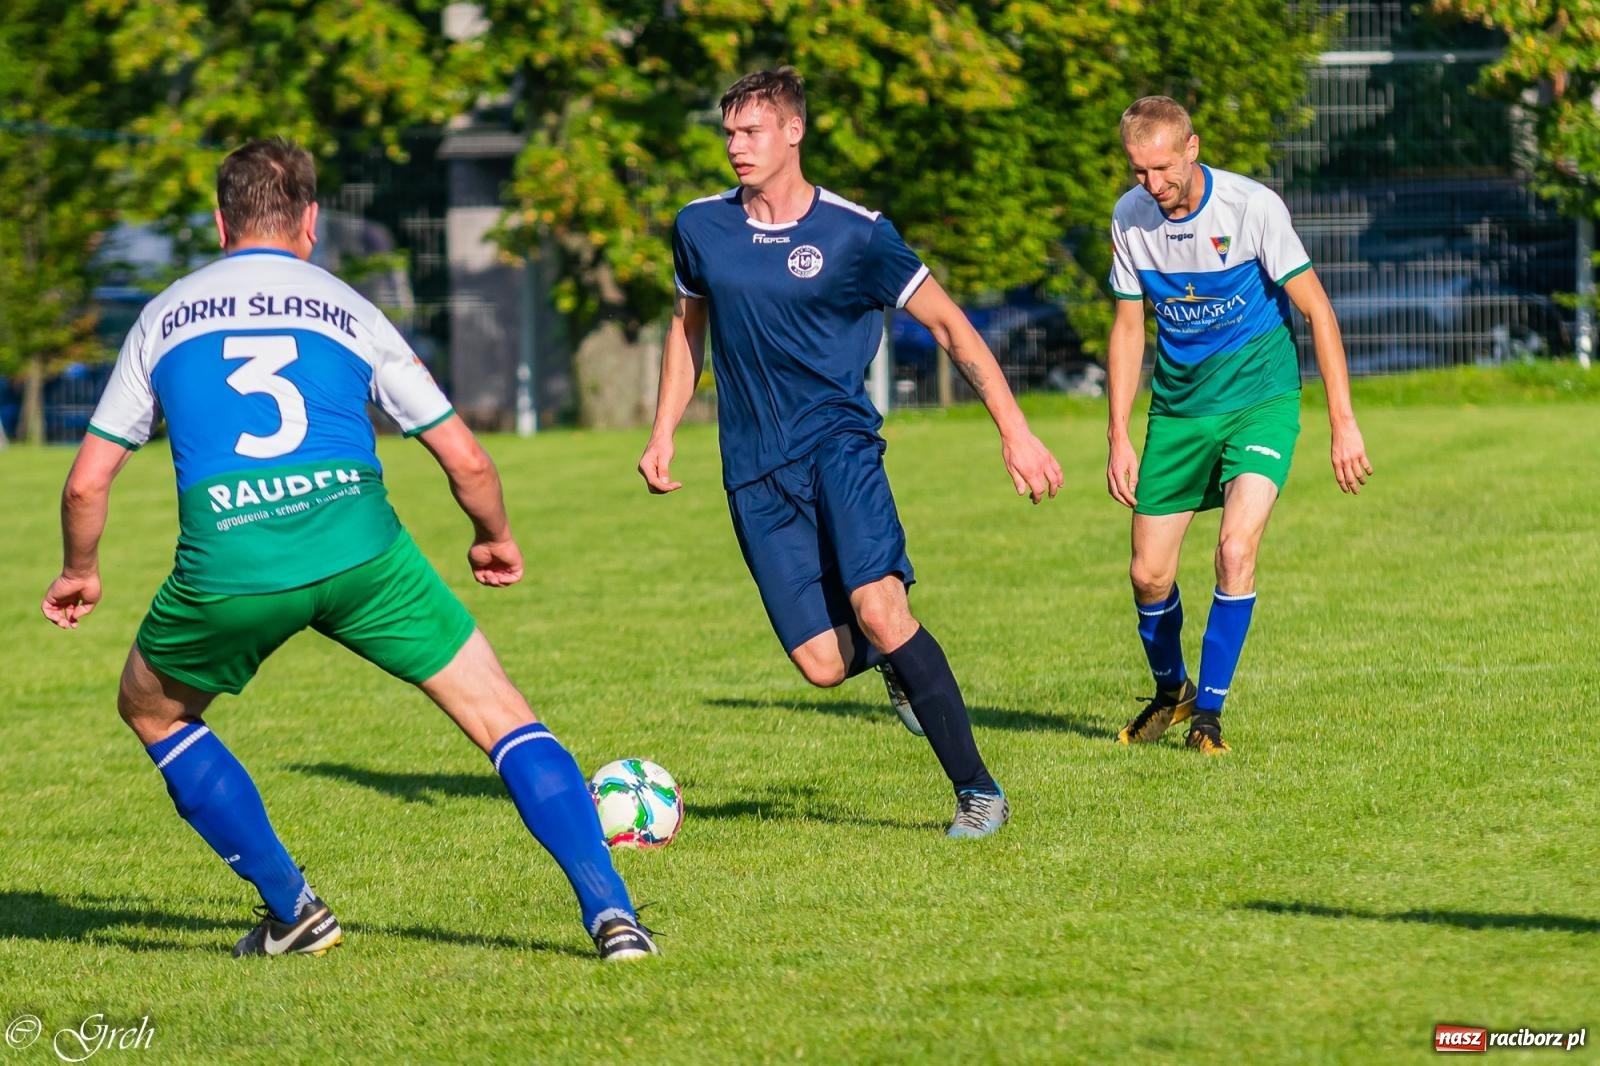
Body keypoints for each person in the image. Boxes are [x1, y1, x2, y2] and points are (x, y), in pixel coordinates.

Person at [40, 138, 657, 962]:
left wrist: (80, 571)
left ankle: (293, 911)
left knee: (152, 710)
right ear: (311, 221)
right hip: (365, 556)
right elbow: (467, 460)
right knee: (502, 714)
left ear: (221, 223)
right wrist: (493, 537)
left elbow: (86, 485)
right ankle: (614, 918)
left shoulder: (165, 314)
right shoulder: (348, 307)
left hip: (233, 564)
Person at [638, 68, 1064, 838]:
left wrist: (1016, 430)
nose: (736, 146)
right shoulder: (700, 227)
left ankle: (978, 791)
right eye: (729, 132)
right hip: (753, 469)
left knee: (879, 607)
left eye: (751, 131)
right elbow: (685, 327)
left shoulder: (857, 234)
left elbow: (952, 328)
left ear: (793, 132)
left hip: (839, 447)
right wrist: (664, 429)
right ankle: (899, 663)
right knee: (824, 664)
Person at [1105, 96, 1373, 754]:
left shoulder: (1251, 207)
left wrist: (1343, 424)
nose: (1152, 184)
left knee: (1234, 551)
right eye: (1139, 170)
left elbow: (1318, 311)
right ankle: (1173, 691)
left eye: (1163, 168)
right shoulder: (1130, 217)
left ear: (1192, 148)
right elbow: (1129, 327)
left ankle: (1209, 717)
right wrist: (1118, 435)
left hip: (1261, 401)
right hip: (1179, 411)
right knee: (1148, 575)